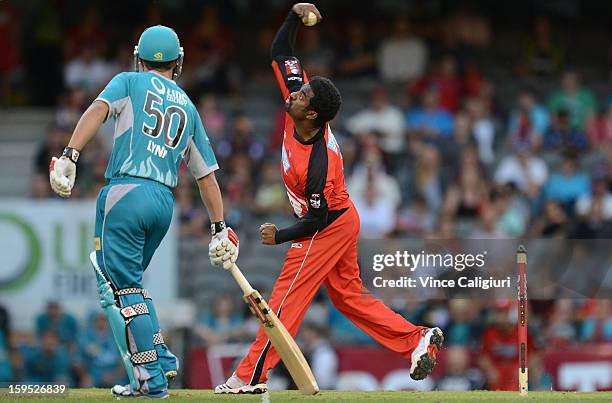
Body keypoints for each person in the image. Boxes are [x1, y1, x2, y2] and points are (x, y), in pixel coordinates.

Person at [214, 4, 443, 394]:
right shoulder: (299, 104)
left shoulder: (316, 162)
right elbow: (280, 54)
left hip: (329, 223)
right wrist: (292, 16)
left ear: (314, 114)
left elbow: (317, 220)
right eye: (299, 88)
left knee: (285, 299)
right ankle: (416, 338)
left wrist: (281, 235)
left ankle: (250, 376)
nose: (294, 94)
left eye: (302, 96)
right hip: (339, 217)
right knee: (348, 297)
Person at [48, 25, 239, 399]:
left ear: (139, 58)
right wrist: (219, 227)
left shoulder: (129, 82)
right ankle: (162, 360)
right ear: (178, 62)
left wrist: (70, 154)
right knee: (130, 284)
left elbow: (96, 110)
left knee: (120, 287)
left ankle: (150, 378)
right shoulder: (188, 105)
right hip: (163, 202)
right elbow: (207, 178)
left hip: (125, 191)